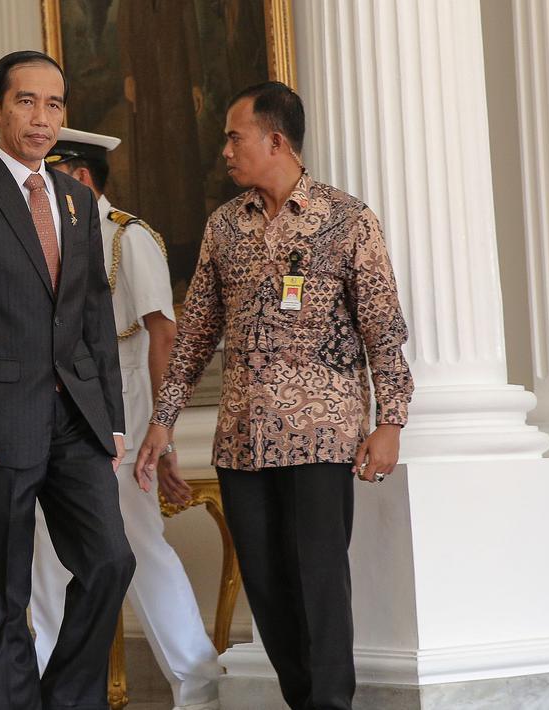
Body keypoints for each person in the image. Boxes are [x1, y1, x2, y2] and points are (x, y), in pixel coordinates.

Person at [135, 81, 415, 710]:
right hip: (241, 442)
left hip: (322, 435)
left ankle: (331, 706)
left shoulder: (347, 220)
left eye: (235, 137)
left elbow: (383, 329)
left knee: (318, 581)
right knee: (266, 585)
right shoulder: (224, 226)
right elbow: (196, 334)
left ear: (276, 140)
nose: (225, 151)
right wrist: (164, 420)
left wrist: (390, 420)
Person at [0, 51, 136, 710]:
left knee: (109, 562)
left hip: (76, 418)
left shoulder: (75, 197)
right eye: (25, 102)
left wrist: (114, 416)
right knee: (0, 588)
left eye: (53, 104)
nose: (41, 118)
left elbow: (93, 315)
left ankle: (64, 702)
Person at [32, 128, 220, 710]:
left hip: (124, 408)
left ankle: (199, 684)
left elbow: (165, 337)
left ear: (80, 179)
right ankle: (42, 689)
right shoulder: (46, 236)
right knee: (44, 550)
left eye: (50, 175)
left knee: (137, 541)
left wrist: (163, 437)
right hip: (53, 410)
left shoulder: (127, 238)